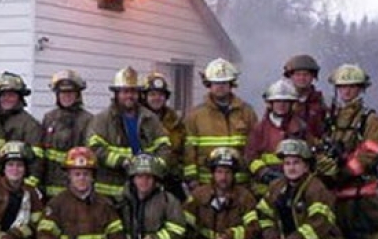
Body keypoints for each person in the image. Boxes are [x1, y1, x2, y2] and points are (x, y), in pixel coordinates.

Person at [317, 64, 378, 239]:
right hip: (336, 193)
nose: (346, 92)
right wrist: (324, 165)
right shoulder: (331, 117)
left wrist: (344, 170)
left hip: (360, 194)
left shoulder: (371, 120)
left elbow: (371, 152)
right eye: (342, 87)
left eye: (352, 87)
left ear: (361, 89)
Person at [86, 67, 171, 203]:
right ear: (116, 94)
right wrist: (122, 161)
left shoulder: (150, 118)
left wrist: (154, 166)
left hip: (142, 192)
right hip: (109, 192)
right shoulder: (102, 120)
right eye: (125, 92)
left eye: (133, 92)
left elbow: (164, 146)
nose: (129, 96)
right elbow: (94, 148)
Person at [184, 58, 258, 190]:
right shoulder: (195, 115)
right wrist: (192, 180)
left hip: (240, 183)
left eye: (224, 82)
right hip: (206, 184)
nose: (220, 86)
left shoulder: (247, 112)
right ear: (208, 84)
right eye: (216, 83)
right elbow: (189, 150)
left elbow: (255, 147)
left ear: (231, 84)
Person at [245, 78, 308, 197]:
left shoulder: (301, 128)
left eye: (286, 101)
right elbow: (250, 156)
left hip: (295, 187)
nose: (281, 105)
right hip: (265, 189)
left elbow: (308, 157)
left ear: (292, 104)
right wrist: (263, 172)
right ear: (270, 103)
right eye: (277, 101)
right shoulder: (259, 129)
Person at [39, 69, 93, 198]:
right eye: (62, 92)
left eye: (70, 93)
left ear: (78, 95)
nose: (66, 96)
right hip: (48, 186)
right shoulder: (49, 118)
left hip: (74, 188)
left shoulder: (87, 120)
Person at [0, 72, 43, 187]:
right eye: (3, 95)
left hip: (17, 184)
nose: (7, 99)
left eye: (11, 95)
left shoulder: (30, 125)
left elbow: (36, 161)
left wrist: (27, 187)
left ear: (19, 98)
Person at [142, 72, 187, 200]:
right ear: (144, 97)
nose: (157, 98)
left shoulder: (175, 121)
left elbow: (182, 149)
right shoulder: (138, 119)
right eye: (152, 94)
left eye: (161, 94)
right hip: (144, 179)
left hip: (170, 179)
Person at [283, 54, 327, 139]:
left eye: (306, 74)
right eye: (298, 74)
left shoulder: (319, 103)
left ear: (313, 77)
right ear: (291, 76)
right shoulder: (281, 101)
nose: (302, 78)